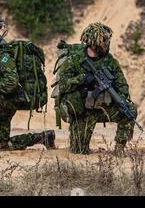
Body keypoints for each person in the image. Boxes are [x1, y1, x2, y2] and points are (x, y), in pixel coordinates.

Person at [0, 22, 55, 153]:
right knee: (2, 146)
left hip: (9, 99)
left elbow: (11, 82)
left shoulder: (2, 56)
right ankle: (43, 137)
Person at [58, 22, 137, 154]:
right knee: (78, 151)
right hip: (82, 111)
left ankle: (119, 149)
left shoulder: (109, 60)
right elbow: (63, 85)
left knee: (129, 109)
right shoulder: (75, 59)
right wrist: (83, 79)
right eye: (104, 43)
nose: (107, 45)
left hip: (103, 108)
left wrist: (121, 98)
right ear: (94, 43)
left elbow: (122, 83)